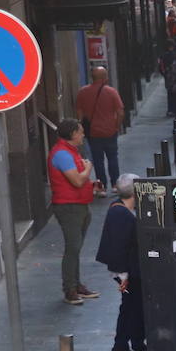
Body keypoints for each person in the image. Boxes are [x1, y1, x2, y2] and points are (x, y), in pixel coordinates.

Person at [93, 173, 145, 351]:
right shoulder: (121, 214)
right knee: (135, 308)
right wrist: (123, 275)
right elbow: (119, 245)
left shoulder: (119, 209)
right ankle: (136, 345)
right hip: (128, 270)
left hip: (128, 268)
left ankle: (122, 345)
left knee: (129, 307)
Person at [48, 119, 100, 305]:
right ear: (72, 134)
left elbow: (79, 181)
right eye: (80, 132)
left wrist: (91, 184)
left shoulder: (71, 152)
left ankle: (76, 285)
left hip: (79, 204)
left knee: (75, 248)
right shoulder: (62, 154)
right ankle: (70, 289)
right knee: (73, 248)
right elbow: (77, 181)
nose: (83, 135)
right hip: (69, 207)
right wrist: (87, 169)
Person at [76, 66, 124, 193]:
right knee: (113, 157)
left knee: (98, 160)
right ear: (104, 78)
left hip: (93, 132)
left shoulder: (83, 92)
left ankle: (101, 186)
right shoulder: (111, 92)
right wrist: (116, 126)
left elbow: (80, 113)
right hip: (109, 131)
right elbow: (120, 112)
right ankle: (115, 185)